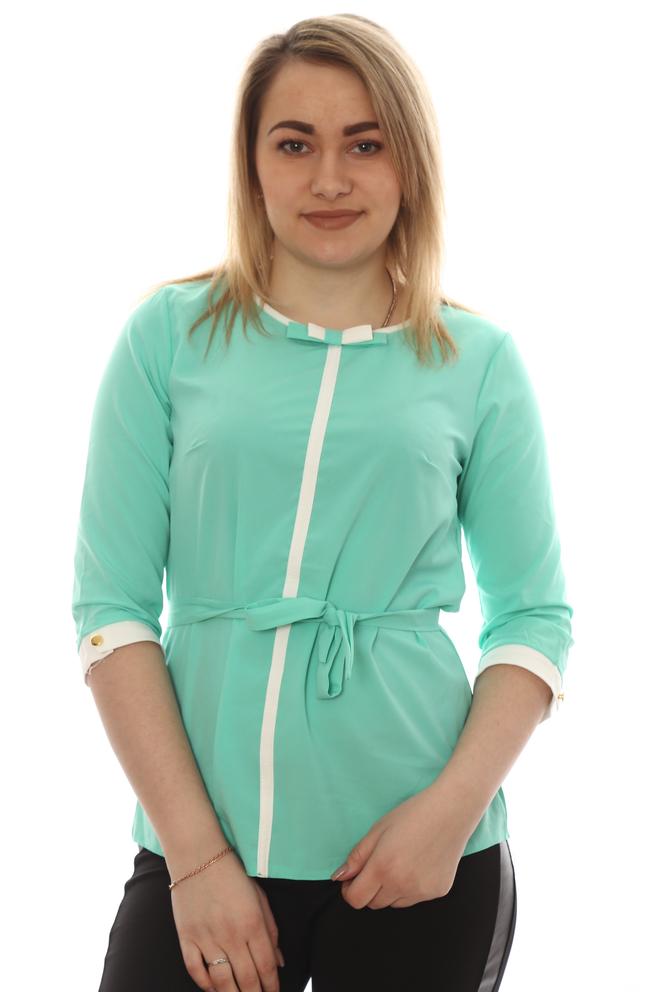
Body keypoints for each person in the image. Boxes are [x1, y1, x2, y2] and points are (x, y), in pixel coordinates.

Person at [71, 13, 574, 992]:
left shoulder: (478, 360)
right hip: (203, 848)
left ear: (409, 161)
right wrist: (196, 860)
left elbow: (533, 618)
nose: (329, 179)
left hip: (418, 856)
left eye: (365, 144)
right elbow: (111, 610)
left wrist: (448, 817)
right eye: (294, 144)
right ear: (252, 163)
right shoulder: (166, 336)